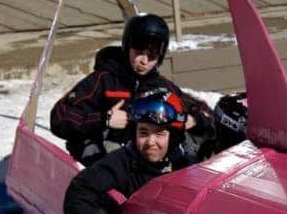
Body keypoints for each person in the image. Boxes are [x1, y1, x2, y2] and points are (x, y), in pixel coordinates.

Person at [50, 13, 214, 166]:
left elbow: (204, 112)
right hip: (107, 154)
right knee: (105, 154)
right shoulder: (103, 80)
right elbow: (60, 116)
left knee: (194, 144)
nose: (144, 61)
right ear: (127, 47)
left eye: (152, 56)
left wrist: (194, 120)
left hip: (146, 152)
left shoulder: (161, 86)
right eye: (139, 52)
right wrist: (104, 120)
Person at [61, 91, 189, 214]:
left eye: (160, 134)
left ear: (173, 136)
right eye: (143, 133)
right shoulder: (122, 162)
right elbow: (78, 194)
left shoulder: (186, 164)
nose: (150, 142)